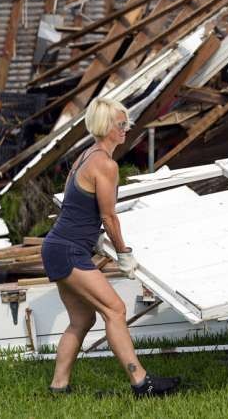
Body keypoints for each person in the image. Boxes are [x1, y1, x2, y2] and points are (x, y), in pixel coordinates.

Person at [40, 97, 180, 398]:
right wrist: (124, 254)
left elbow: (82, 210)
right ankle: (142, 384)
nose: (126, 128)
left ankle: (58, 386)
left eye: (126, 122)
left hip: (58, 246)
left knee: (82, 319)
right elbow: (108, 215)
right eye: (121, 124)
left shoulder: (85, 156)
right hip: (68, 250)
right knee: (115, 309)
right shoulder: (105, 164)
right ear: (106, 127)